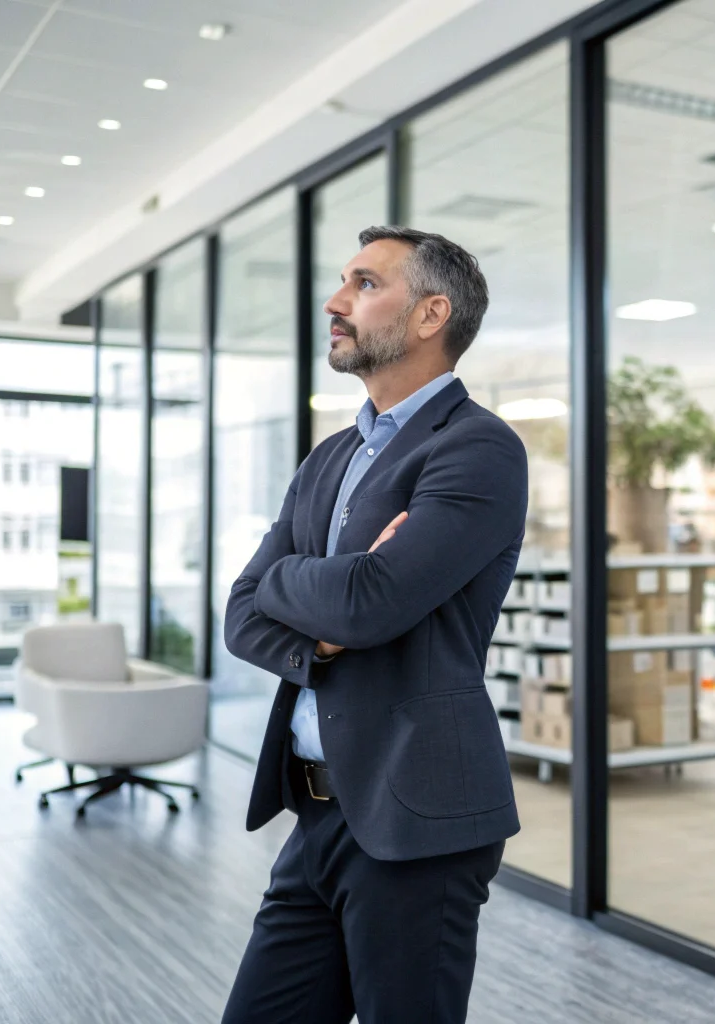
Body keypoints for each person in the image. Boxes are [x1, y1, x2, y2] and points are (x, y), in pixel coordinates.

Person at [220, 226, 528, 1024]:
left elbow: (372, 604)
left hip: (418, 816)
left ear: (431, 315)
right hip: (319, 811)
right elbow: (240, 612)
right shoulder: (330, 456)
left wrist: (298, 585)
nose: (335, 301)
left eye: (363, 284)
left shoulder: (479, 449)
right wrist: (320, 613)